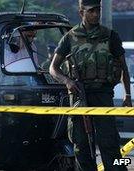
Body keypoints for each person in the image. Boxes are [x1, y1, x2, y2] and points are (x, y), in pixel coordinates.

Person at [49, 0, 132, 170]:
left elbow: (123, 67)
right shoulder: (70, 37)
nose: (96, 14)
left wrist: (127, 96)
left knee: (110, 145)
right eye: (91, 11)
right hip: (79, 97)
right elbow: (53, 68)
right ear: (81, 13)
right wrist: (67, 81)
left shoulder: (110, 36)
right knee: (81, 146)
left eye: (98, 10)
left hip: (103, 97)